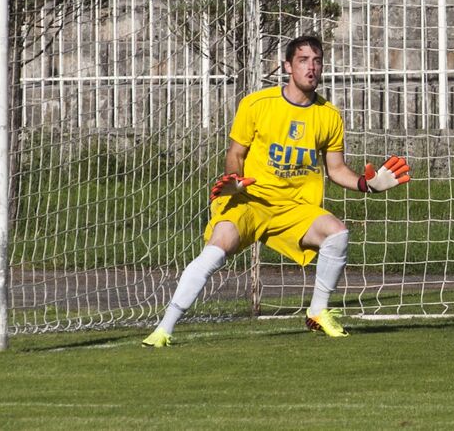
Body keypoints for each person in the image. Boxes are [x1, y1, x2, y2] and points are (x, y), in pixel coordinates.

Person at [142, 35, 410, 346]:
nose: (311, 67)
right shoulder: (256, 104)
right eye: (303, 60)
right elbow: (236, 153)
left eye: (317, 60)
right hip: (249, 201)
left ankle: (318, 313)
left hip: (294, 208)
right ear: (287, 66)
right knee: (215, 250)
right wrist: (234, 181)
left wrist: (369, 184)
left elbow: (336, 169)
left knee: (337, 233)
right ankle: (163, 329)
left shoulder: (329, 116)